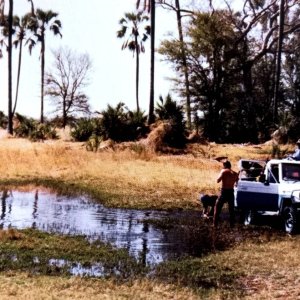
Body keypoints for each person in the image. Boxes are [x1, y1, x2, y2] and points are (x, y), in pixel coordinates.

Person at [213, 160, 239, 227]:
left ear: (224, 165)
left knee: (217, 208)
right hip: (231, 192)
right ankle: (232, 226)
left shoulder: (224, 171)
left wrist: (222, 172)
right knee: (231, 211)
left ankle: (215, 225)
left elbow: (217, 180)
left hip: (224, 192)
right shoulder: (235, 174)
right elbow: (237, 184)